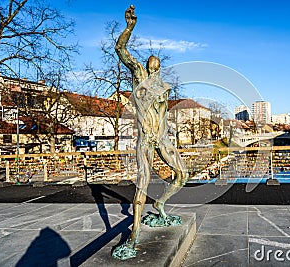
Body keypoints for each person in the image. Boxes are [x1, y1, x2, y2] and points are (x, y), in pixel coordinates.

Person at [112, 5, 188, 260]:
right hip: (146, 139)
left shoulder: (164, 86)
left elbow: (165, 115)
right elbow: (121, 50)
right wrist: (129, 28)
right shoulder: (139, 77)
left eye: (156, 62)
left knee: (182, 175)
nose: (153, 62)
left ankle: (161, 204)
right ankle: (133, 237)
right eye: (149, 61)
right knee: (142, 184)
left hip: (163, 138)